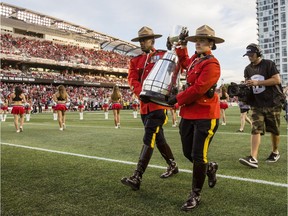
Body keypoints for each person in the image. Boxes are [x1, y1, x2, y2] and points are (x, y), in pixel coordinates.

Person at [167, 25, 224, 211]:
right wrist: (181, 44)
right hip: (189, 114)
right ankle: (209, 168)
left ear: (211, 44)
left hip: (205, 115)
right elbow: (183, 61)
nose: (198, 43)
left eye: (202, 40)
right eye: (196, 40)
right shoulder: (195, 60)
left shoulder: (212, 64)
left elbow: (199, 89)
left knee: (198, 155)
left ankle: (195, 194)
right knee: (187, 152)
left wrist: (177, 99)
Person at [121, 26, 179, 191]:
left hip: (158, 105)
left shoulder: (162, 55)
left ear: (152, 40)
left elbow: (173, 69)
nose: (141, 43)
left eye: (144, 40)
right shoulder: (135, 60)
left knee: (149, 138)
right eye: (140, 40)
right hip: (144, 106)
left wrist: (172, 49)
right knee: (158, 138)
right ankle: (173, 165)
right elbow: (132, 80)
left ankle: (137, 176)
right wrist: (142, 94)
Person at [239, 43, 282, 168]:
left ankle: (275, 152)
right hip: (257, 103)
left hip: (272, 102)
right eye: (248, 55)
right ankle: (253, 158)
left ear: (258, 53)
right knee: (255, 128)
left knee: (274, 130)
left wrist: (257, 82)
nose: (249, 57)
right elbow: (250, 84)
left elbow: (277, 80)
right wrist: (244, 88)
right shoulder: (247, 69)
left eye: (251, 54)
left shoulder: (269, 64)